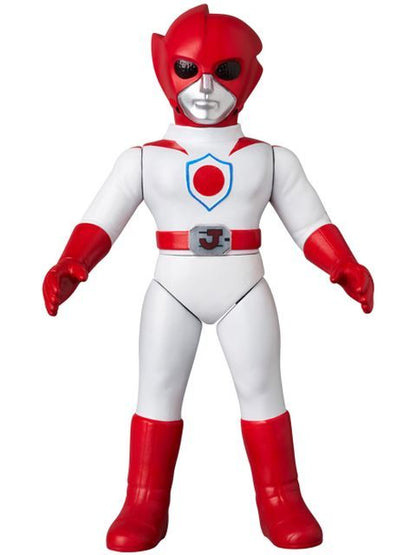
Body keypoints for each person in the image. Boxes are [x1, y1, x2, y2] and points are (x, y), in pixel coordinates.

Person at [43, 5, 374, 552]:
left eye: (224, 72)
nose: (203, 88)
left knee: (263, 391)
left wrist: (343, 265)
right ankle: (143, 502)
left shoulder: (271, 159)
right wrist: (72, 264)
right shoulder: (143, 160)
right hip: (172, 289)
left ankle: (281, 499)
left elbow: (310, 223)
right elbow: (100, 221)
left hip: (245, 288)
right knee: (157, 392)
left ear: (249, 77)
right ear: (164, 70)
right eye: (187, 70)